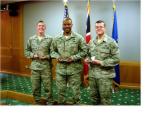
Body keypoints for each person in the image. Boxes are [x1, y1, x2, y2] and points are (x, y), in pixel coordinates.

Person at [50, 17, 87, 105]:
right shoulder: (57, 38)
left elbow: (85, 51)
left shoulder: (78, 38)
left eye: (68, 24)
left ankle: (76, 105)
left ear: (72, 25)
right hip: (61, 70)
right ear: (62, 26)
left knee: (75, 92)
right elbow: (52, 51)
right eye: (65, 24)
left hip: (74, 70)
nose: (67, 26)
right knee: (60, 91)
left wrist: (73, 57)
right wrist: (57, 57)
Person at [85, 20, 120, 105]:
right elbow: (88, 54)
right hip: (93, 76)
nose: (99, 28)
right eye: (97, 27)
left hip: (105, 76)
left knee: (105, 100)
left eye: (101, 27)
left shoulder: (111, 42)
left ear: (105, 28)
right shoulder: (91, 42)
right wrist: (87, 59)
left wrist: (101, 62)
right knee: (94, 98)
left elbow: (116, 59)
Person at [25, 20, 53, 105]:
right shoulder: (31, 39)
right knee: (35, 87)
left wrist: (47, 56)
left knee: (48, 87)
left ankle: (50, 102)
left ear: (45, 28)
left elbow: (54, 53)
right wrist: (33, 55)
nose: (41, 27)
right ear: (37, 27)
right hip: (35, 67)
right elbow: (26, 52)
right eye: (39, 26)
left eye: (43, 26)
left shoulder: (50, 39)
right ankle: (37, 102)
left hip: (46, 68)